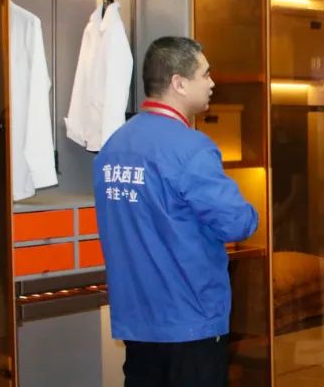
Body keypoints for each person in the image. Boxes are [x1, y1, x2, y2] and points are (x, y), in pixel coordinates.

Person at [94, 36, 259, 387]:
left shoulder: (114, 146)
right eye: (205, 74)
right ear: (179, 83)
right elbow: (236, 222)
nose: (212, 83)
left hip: (138, 321)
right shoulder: (191, 148)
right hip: (190, 320)